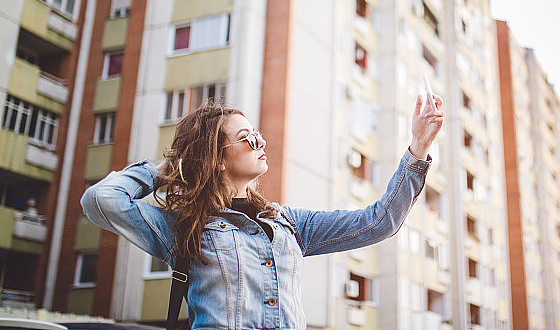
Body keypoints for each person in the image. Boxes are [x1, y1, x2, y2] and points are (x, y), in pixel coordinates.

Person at [81, 93, 443, 330]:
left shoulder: (288, 223)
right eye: (247, 138)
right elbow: (102, 200)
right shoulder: (185, 228)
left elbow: (379, 222)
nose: (261, 142)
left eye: (258, 134)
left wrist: (418, 147)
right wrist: (169, 168)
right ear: (217, 159)